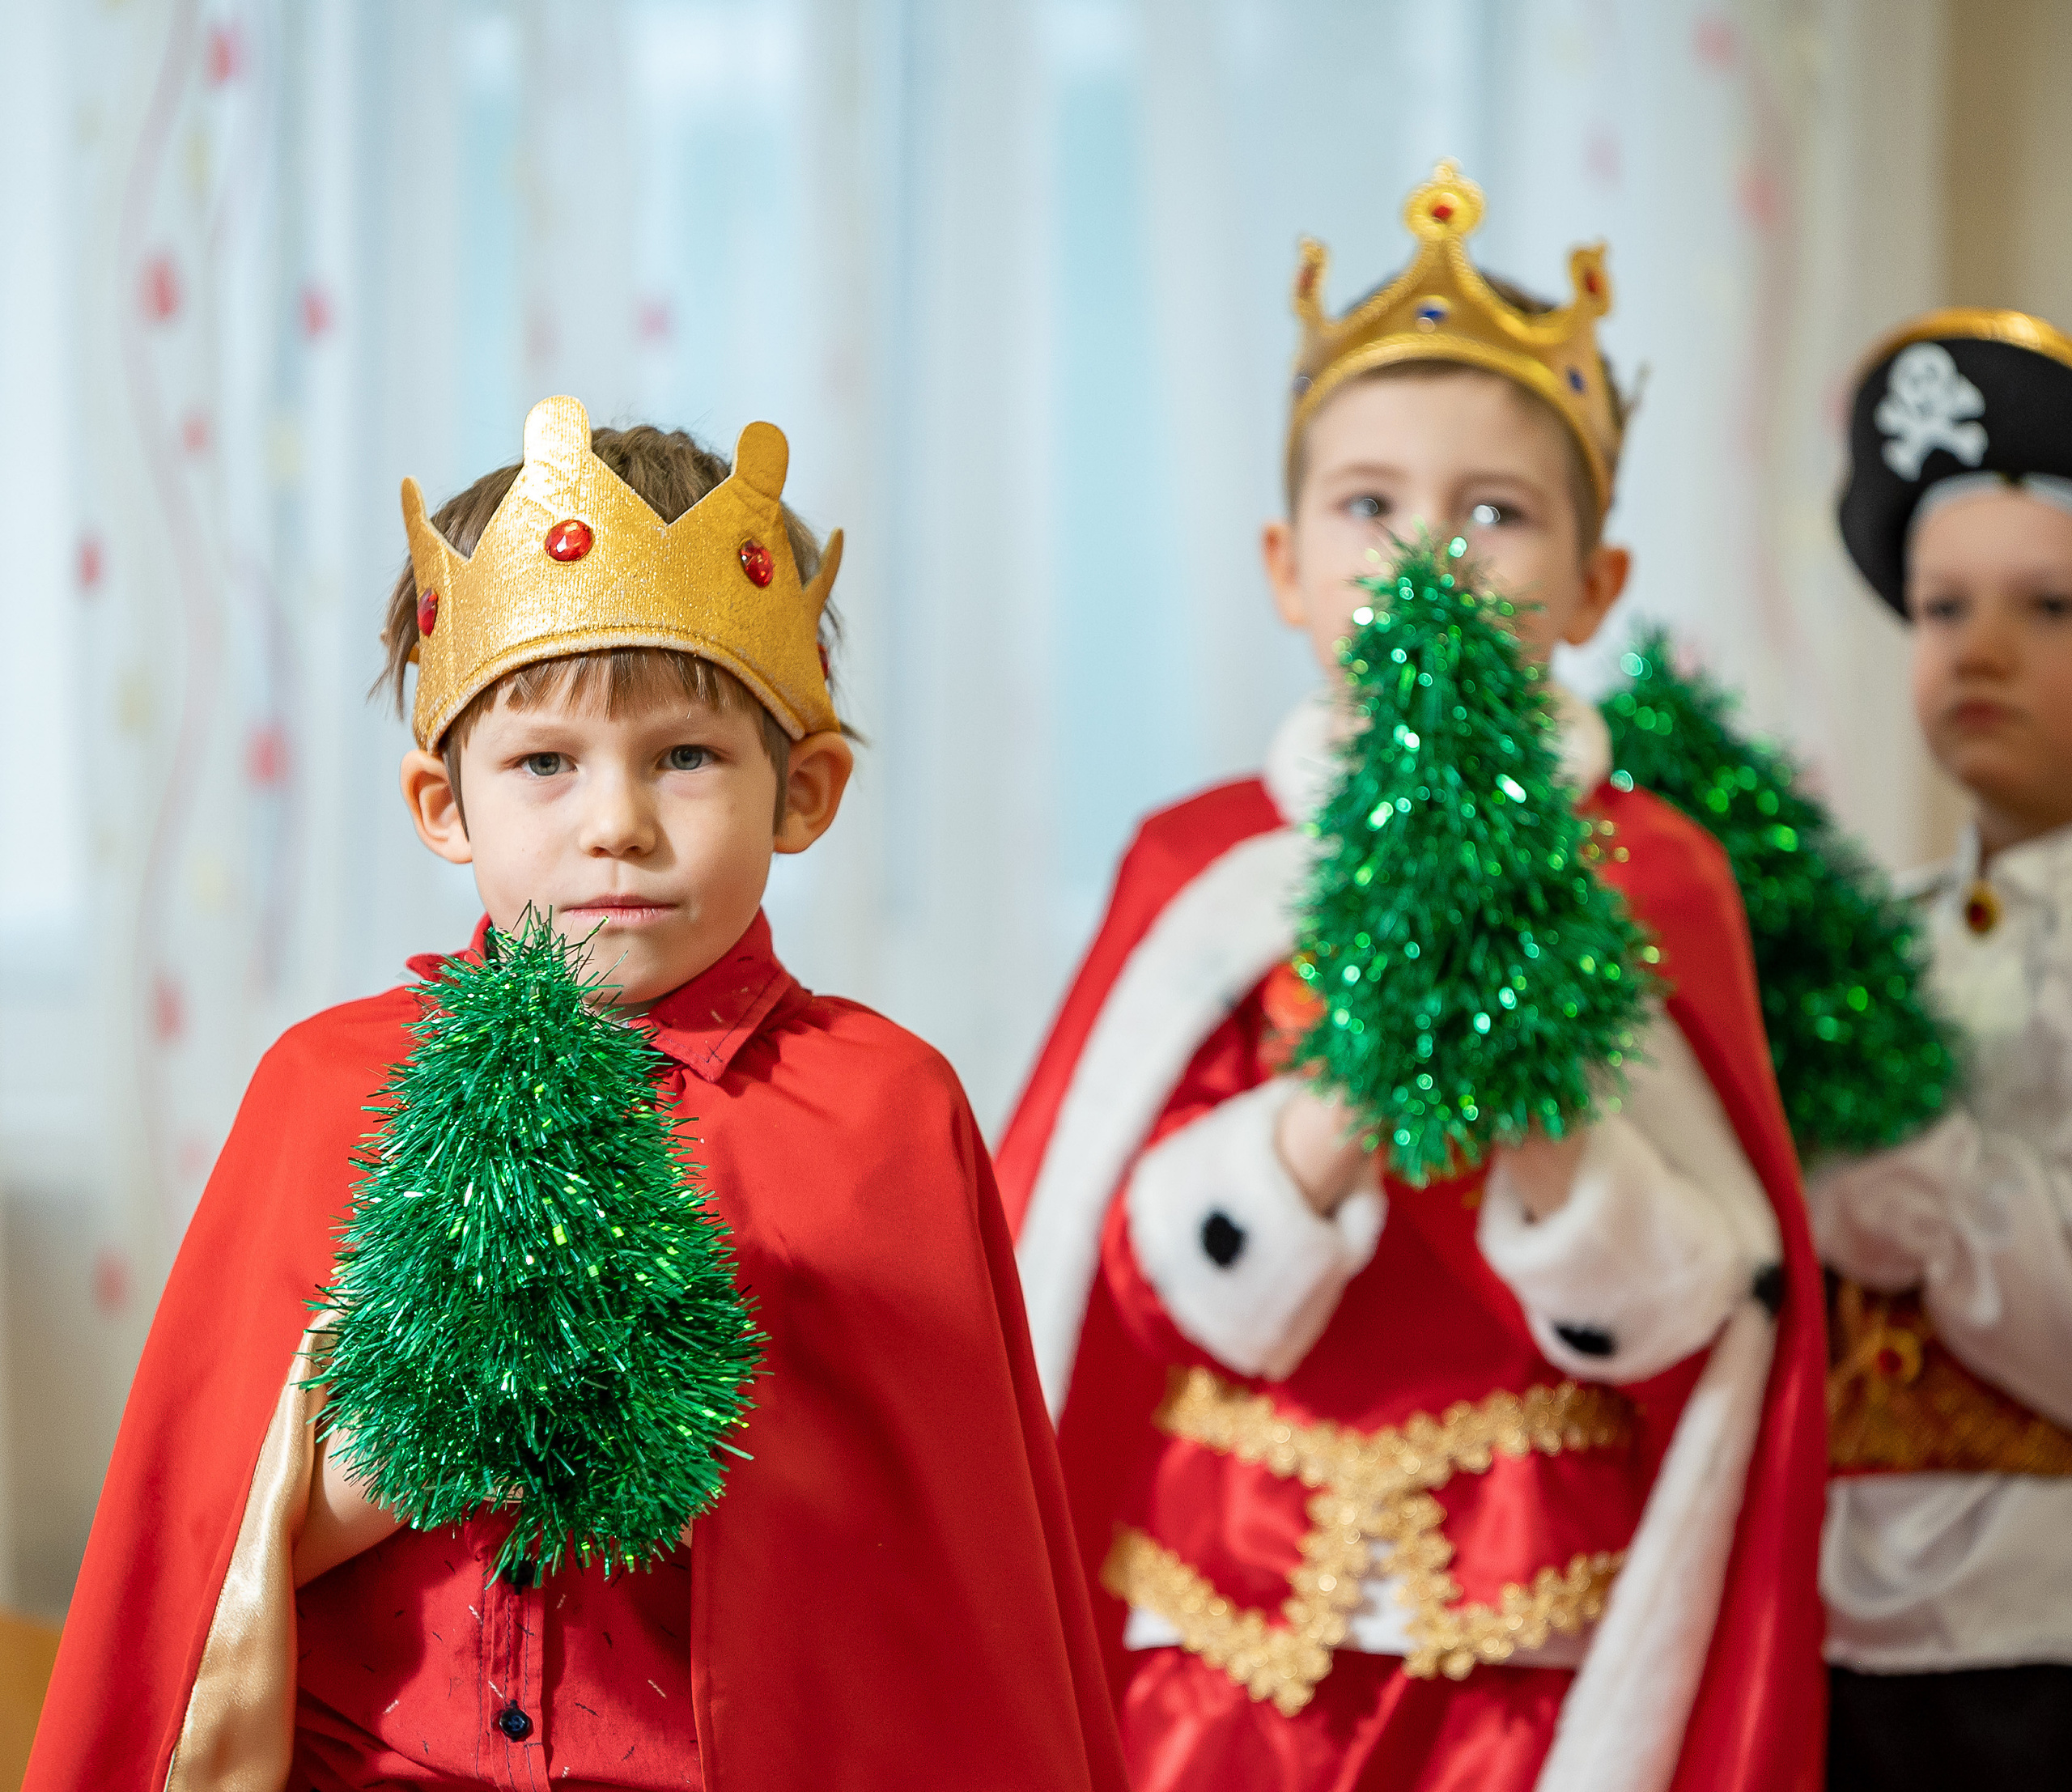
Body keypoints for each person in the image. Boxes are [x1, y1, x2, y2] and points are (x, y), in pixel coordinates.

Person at [26, 397, 1129, 1792]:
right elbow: (195, 1566)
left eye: (686, 755)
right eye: (545, 762)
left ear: (807, 790)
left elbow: (942, 1623)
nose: (616, 818)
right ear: (446, 803)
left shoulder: (882, 1118)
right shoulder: (326, 1092)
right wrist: (436, 1405)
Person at [996, 163, 1827, 1792]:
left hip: (1526, 1642)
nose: (1424, 557)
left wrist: (1548, 1121)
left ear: (1594, 587)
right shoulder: (1203, 868)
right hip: (1212, 1633)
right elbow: (1109, 1275)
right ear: (1284, 563)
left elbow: (1718, 1312)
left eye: (1493, 512)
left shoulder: (1645, 878)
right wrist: (1318, 1133)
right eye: (1368, 505)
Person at [1819, 308, 2072, 1789]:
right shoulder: (1875, 944)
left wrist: (1918, 1178)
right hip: (1846, 1627)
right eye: (1939, 607)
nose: (1980, 650)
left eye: (2050, 608)